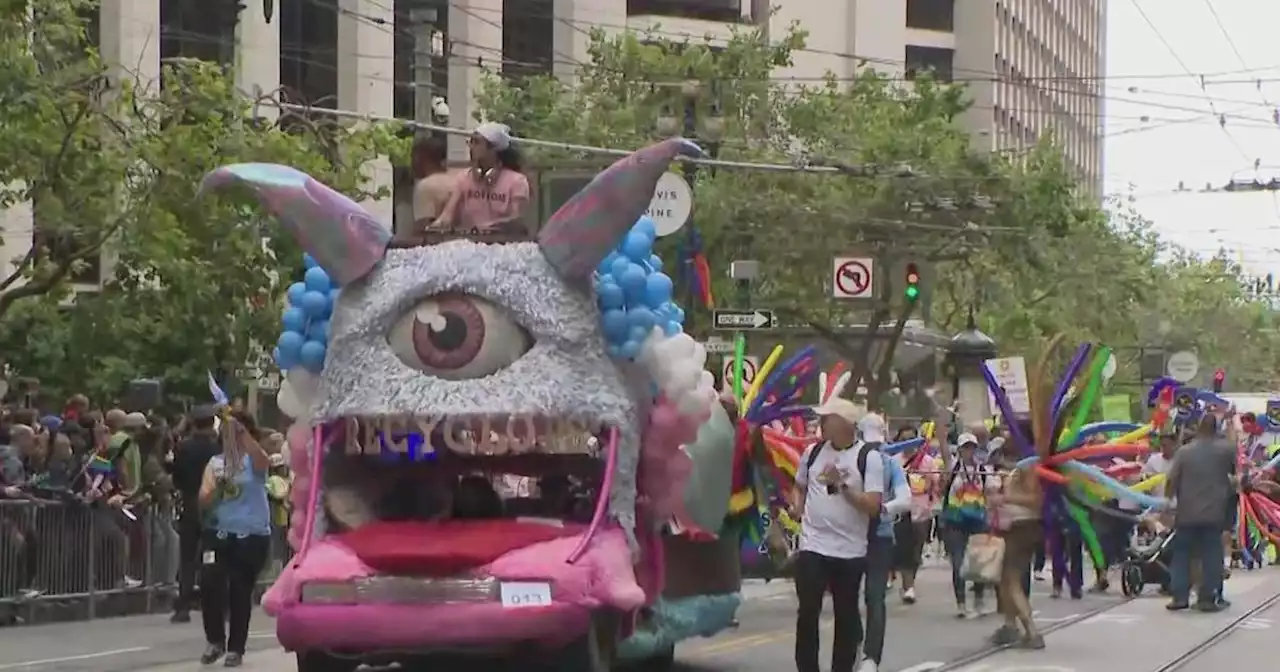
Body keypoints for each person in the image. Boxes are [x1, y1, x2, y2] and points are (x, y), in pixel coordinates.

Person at [791, 397, 884, 672]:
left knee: (846, 615)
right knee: (807, 611)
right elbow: (799, 485)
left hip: (850, 550)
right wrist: (796, 505)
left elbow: (872, 506)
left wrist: (841, 485)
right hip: (813, 544)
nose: (821, 423)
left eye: (827, 418)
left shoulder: (869, 458)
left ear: (844, 423)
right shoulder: (813, 452)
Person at [198, 411, 272, 666]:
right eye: (226, 432)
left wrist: (242, 432)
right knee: (209, 582)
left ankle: (235, 648)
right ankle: (215, 640)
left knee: (240, 590)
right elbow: (203, 499)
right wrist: (218, 487)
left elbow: (263, 461)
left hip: (250, 534)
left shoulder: (254, 461)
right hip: (219, 533)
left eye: (235, 431)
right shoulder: (215, 462)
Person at [1165, 411, 1237, 612]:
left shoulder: (1184, 452)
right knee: (1211, 555)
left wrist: (1167, 500)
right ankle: (1207, 597)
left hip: (1186, 512)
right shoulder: (1224, 450)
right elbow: (1235, 470)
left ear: (1198, 427)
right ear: (1216, 428)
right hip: (1213, 513)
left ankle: (1180, 596)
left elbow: (1172, 479)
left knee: (1181, 554)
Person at [860, 413, 912, 672]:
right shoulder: (850, 461)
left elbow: (905, 497)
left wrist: (884, 508)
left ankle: (871, 656)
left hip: (879, 536)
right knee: (846, 597)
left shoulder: (890, 463)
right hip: (849, 537)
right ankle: (853, 648)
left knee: (874, 596)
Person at [986, 443, 1045, 648]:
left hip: (1021, 528)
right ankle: (1010, 626)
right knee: (1005, 579)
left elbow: (1036, 499)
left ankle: (1031, 630)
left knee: (1011, 579)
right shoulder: (1022, 467)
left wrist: (1004, 497)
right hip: (1018, 527)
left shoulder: (1029, 467)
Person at [170, 406, 221, 623]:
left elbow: (177, 477)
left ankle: (183, 605)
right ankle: (216, 602)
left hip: (191, 504)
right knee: (214, 556)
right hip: (215, 505)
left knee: (188, 557)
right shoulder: (217, 448)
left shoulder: (184, 447)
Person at [435, 122, 531, 234]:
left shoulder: (517, 181)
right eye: (470, 142)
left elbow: (517, 220)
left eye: (476, 142)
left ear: (493, 148)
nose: (471, 147)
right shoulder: (463, 178)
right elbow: (447, 216)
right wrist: (435, 226)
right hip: (469, 245)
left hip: (503, 245)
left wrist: (487, 228)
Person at [939, 432, 995, 618]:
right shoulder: (953, 467)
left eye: (972, 447)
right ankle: (961, 603)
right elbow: (944, 449)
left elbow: (990, 495)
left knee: (978, 563)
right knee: (958, 562)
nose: (969, 451)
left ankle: (979, 600)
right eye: (965, 447)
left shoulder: (983, 471)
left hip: (978, 522)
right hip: (955, 521)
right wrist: (941, 426)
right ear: (960, 449)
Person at [891, 425, 940, 604]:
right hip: (901, 512)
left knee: (915, 551)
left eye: (911, 439)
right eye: (904, 439)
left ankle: (910, 583)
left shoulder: (927, 461)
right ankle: (906, 585)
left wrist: (932, 504)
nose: (908, 443)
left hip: (922, 512)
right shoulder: (894, 461)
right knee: (903, 549)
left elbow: (936, 485)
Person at [409, 134, 455, 236]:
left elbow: (423, 227)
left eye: (413, 157)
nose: (411, 163)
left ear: (423, 157)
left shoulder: (425, 187)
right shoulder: (456, 181)